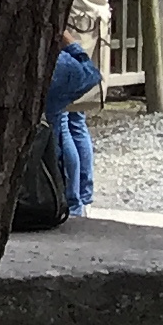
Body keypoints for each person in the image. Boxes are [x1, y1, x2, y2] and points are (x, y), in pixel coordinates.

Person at [45, 32, 102, 218]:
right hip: (84, 36)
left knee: (68, 124)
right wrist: (69, 42)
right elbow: (91, 75)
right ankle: (76, 202)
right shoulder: (59, 63)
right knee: (72, 122)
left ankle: (75, 202)